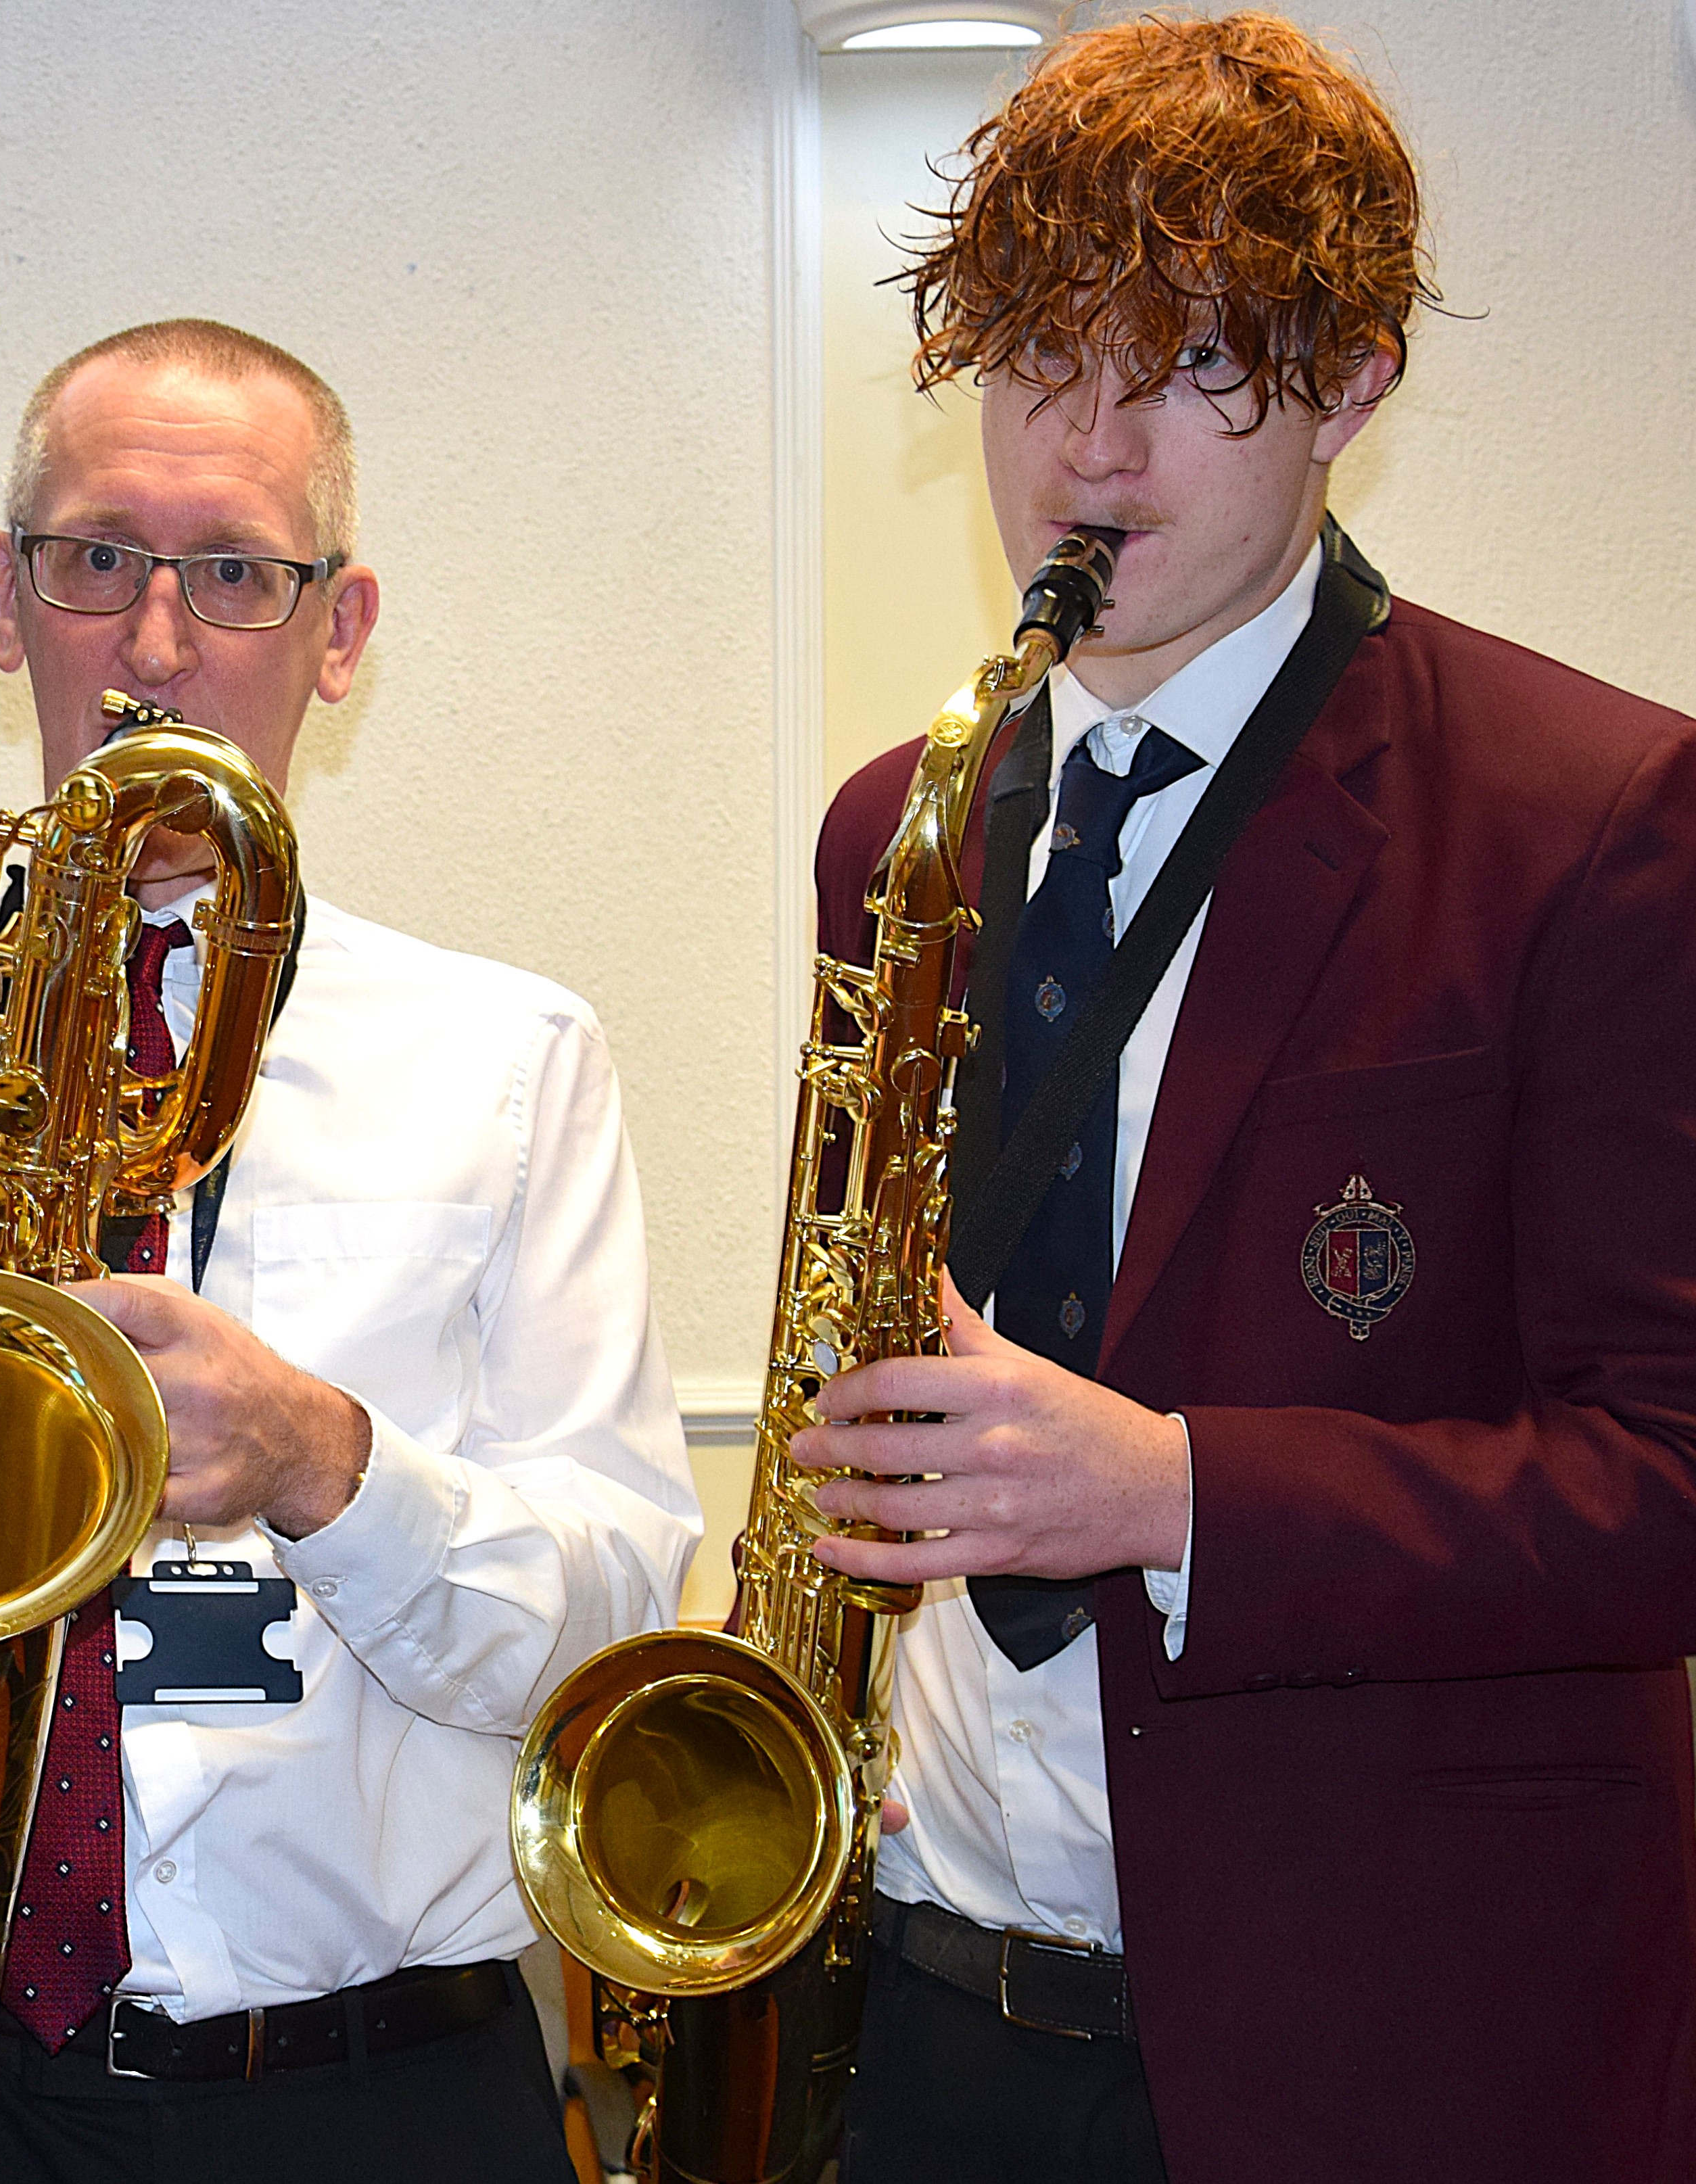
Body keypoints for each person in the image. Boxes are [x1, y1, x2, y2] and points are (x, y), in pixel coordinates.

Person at [0, 318, 699, 2181]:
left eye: (236, 576)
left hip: (384, 2097)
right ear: (2, 600)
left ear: (338, 633)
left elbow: (610, 1628)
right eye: (97, 560)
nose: (158, 644)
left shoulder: (516, 1056)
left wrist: (324, 1465)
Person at [795, 16, 1696, 2181]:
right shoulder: (889, 831)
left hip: (1390, 2048)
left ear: (1353, 381)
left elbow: (1672, 1481)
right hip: (931, 1993)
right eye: (1033, 357)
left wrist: (1178, 1493)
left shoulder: (1600, 814)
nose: (1088, 449)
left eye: (1188, 367)